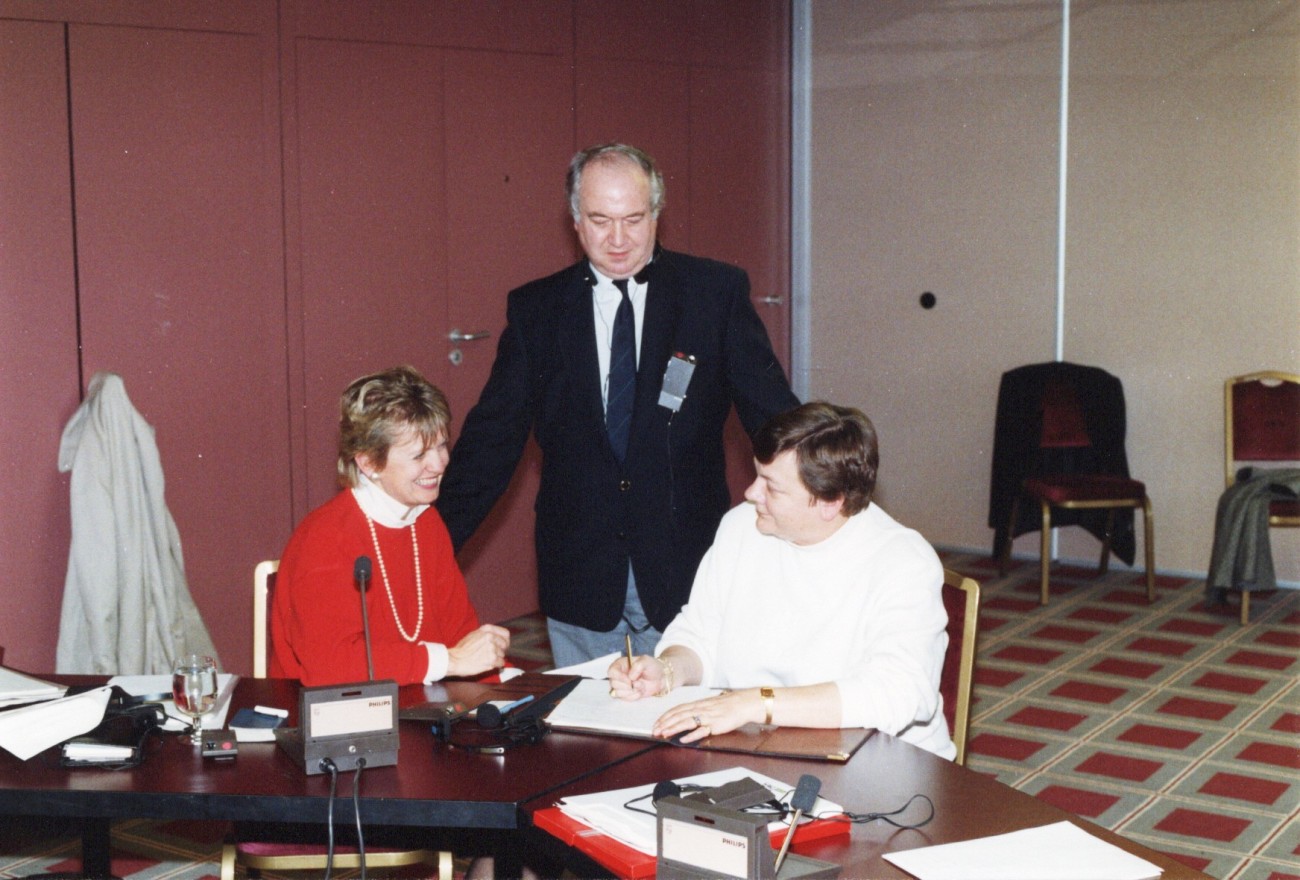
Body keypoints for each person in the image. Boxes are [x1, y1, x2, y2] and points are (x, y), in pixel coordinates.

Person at [437, 143, 799, 667]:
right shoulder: (537, 309)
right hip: (580, 572)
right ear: (575, 221)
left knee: (686, 713)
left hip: (686, 568)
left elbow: (776, 419)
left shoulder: (713, 294)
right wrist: (426, 546)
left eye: (633, 219)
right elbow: (492, 441)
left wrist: (831, 509)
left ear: (657, 214)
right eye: (600, 221)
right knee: (584, 717)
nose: (618, 240)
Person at [608, 402, 956, 760]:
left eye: (771, 487)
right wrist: (667, 670)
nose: (751, 493)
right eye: (758, 475)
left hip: (884, 763)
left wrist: (756, 704)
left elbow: (898, 692)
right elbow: (700, 633)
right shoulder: (741, 527)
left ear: (830, 502)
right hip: (762, 749)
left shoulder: (902, 560)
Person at [270, 365, 509, 687]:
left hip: (416, 700)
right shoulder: (326, 538)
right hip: (331, 710)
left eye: (441, 445)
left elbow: (460, 634)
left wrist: (509, 680)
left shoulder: (426, 520)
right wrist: (449, 661)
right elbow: (329, 666)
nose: (440, 464)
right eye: (419, 455)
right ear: (369, 462)